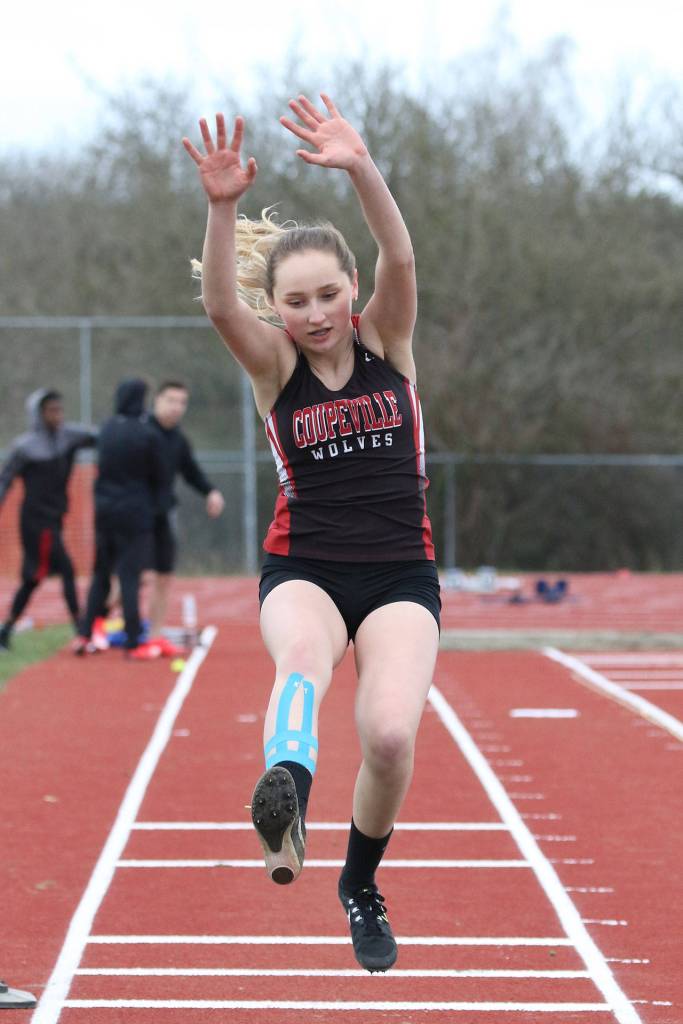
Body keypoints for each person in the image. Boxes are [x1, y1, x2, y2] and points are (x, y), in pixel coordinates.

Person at [183, 93, 440, 973]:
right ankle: (287, 786)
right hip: (305, 567)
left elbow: (399, 251)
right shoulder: (276, 367)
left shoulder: (389, 342)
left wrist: (360, 165)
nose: (317, 311)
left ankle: (359, 884)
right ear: (279, 309)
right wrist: (221, 208)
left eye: (329, 293)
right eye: (296, 301)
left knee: (391, 736)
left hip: (401, 572)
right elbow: (222, 308)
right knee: (301, 665)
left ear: (352, 292)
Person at [74, 378, 165, 660]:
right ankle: (133, 640)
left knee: (100, 574)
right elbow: (159, 477)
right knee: (129, 576)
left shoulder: (106, 430)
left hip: (105, 512)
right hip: (135, 514)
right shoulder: (148, 434)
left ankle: (84, 633)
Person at [0, 389, 96, 651]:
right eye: (51, 411)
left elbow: (98, 437)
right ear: (39, 414)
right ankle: (81, 628)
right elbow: (5, 479)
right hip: (35, 522)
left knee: (33, 579)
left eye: (60, 409)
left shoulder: (68, 437)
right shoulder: (26, 447)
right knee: (64, 569)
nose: (58, 415)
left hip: (54, 519)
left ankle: (5, 630)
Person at [145, 380, 224, 655]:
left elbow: (191, 472)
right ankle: (107, 619)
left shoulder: (177, 440)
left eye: (182, 402)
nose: (176, 407)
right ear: (156, 400)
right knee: (135, 577)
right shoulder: (141, 432)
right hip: (135, 517)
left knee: (164, 576)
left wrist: (211, 492)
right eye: (170, 400)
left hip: (163, 513)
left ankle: (153, 634)